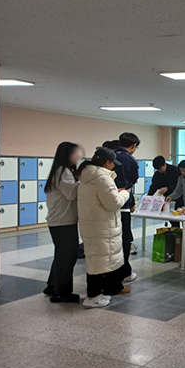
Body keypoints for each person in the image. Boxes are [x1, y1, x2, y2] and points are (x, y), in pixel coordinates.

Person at [77, 147, 131, 308]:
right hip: (103, 227)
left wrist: (116, 192)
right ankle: (93, 296)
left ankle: (100, 291)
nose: (113, 166)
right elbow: (113, 203)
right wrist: (125, 193)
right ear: (106, 162)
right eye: (112, 163)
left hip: (92, 225)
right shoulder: (102, 179)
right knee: (99, 262)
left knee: (96, 259)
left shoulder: (86, 177)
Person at [43, 142, 82, 303]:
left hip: (60, 221)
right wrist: (86, 181)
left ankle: (52, 286)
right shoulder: (63, 171)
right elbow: (71, 193)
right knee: (67, 257)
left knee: (61, 255)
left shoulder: (61, 171)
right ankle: (62, 293)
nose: (78, 156)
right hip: (63, 221)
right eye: (75, 154)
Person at [113, 132, 140, 283]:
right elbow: (133, 180)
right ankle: (124, 272)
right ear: (133, 146)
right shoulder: (130, 159)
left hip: (107, 204)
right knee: (124, 239)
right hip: (123, 204)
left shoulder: (111, 156)